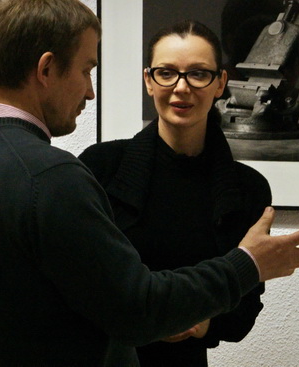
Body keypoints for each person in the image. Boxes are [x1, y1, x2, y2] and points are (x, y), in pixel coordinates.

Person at [0, 0, 299, 366]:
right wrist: (248, 263)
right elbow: (138, 309)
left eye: (199, 74)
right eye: (86, 70)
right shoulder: (53, 176)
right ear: (46, 69)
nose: (90, 91)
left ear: (220, 82)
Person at [79, 20, 270, 366]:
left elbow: (245, 310)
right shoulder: (100, 167)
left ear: (220, 83)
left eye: (198, 74)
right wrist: (155, 315)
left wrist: (202, 323)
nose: (181, 88)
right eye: (166, 73)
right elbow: (77, 285)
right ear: (148, 81)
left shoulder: (248, 189)